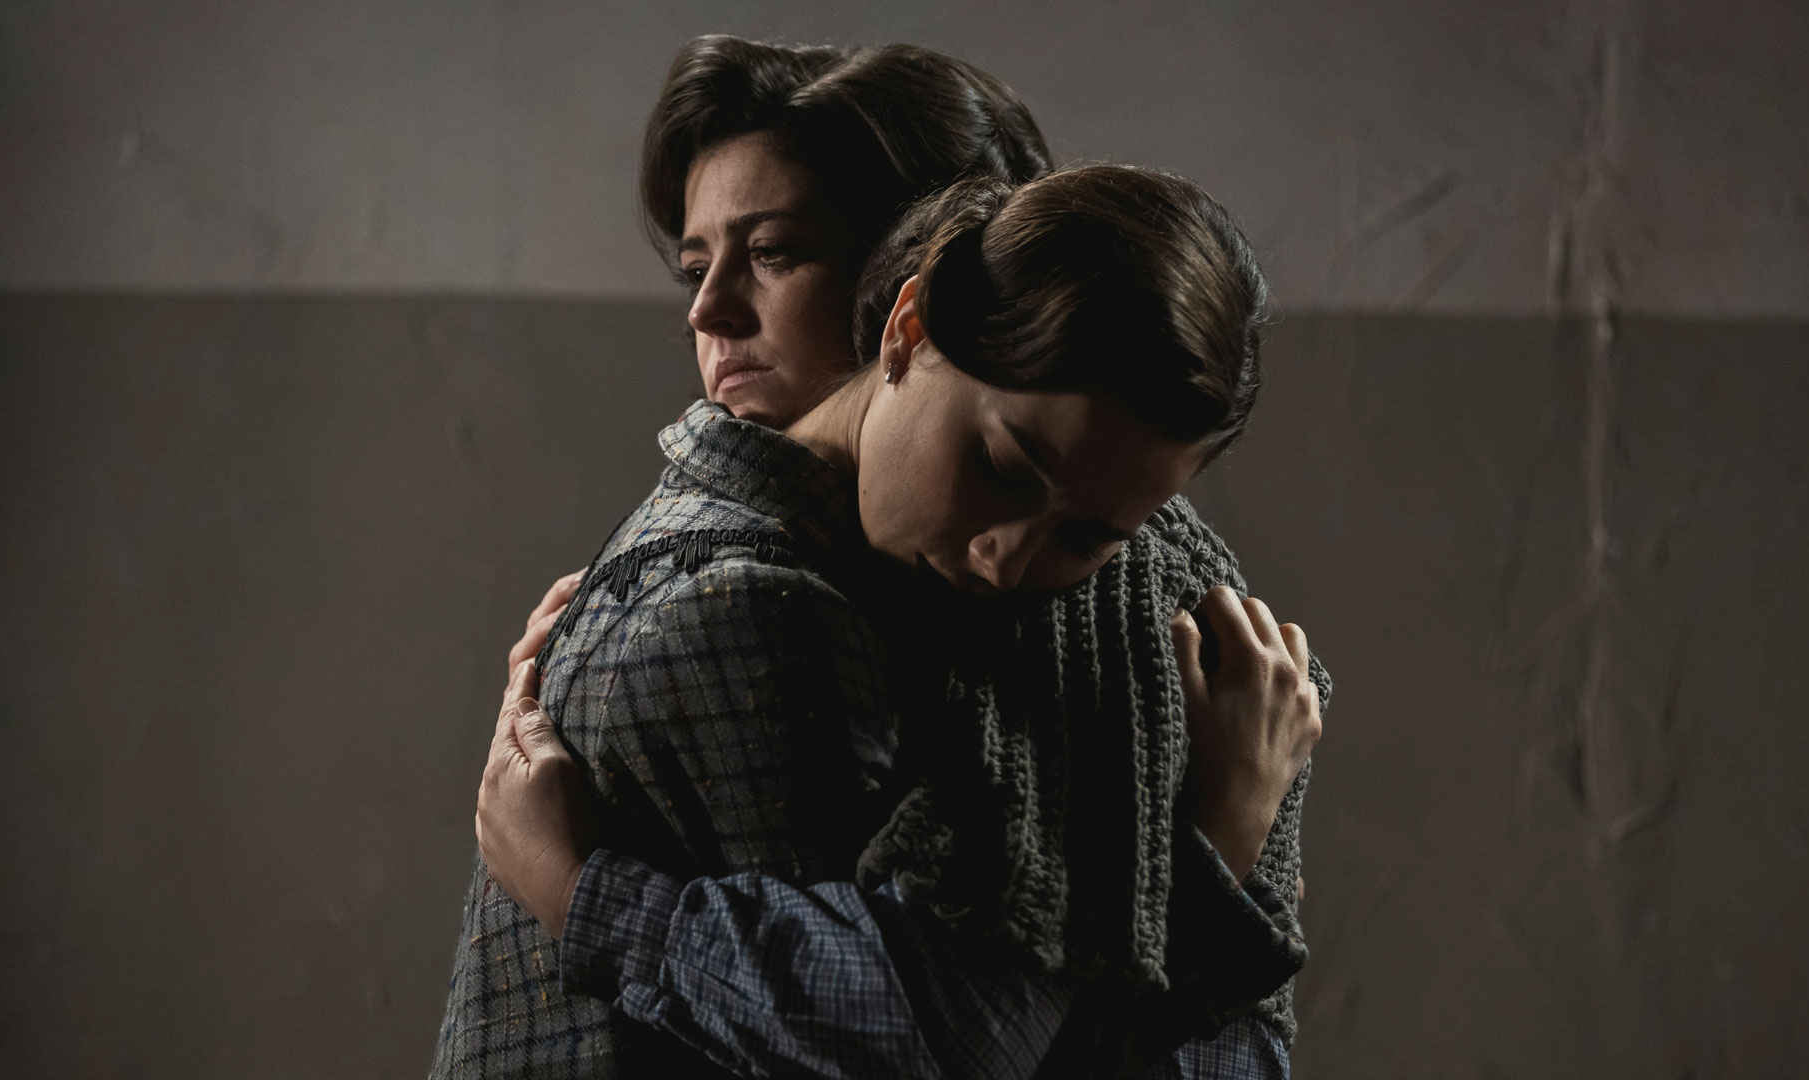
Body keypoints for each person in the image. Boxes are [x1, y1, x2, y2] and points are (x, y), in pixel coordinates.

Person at [432, 37, 1323, 1079]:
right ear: (909, 315)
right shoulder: (749, 606)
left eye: (775, 252)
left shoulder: (1091, 613)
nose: (705, 310)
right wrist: (1212, 849)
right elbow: (942, 1045)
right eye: (696, 264)